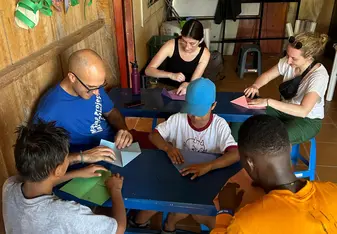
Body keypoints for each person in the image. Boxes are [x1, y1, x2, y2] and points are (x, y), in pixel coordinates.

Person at [130, 78, 239, 233]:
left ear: (213, 106)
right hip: (178, 174)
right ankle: (152, 221)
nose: (194, 117)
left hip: (205, 179)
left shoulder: (219, 126)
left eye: (200, 112)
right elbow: (154, 135)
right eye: (191, 111)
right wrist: (167, 148)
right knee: (152, 206)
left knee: (201, 215)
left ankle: (171, 222)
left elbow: (235, 154)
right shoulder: (178, 119)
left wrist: (209, 166)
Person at [212, 115, 337, 234]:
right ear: (289, 147)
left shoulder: (247, 223)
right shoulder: (332, 190)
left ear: (249, 163)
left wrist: (225, 211)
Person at [2, 120, 126, 234]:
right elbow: (118, 229)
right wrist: (115, 190)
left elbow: (40, 182)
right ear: (58, 170)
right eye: (67, 158)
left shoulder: (9, 186)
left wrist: (76, 173)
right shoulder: (67, 214)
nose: (69, 160)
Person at [34, 49, 133, 165]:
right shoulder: (49, 110)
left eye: (100, 86)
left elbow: (111, 112)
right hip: (88, 162)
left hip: (115, 148)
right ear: (72, 77)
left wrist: (123, 129)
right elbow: (40, 160)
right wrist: (82, 156)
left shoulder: (93, 85)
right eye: (91, 87)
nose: (97, 92)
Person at [236, 32, 329, 144]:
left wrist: (268, 101)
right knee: (242, 109)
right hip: (284, 110)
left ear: (309, 57)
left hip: (307, 120)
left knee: (274, 139)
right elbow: (268, 75)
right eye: (287, 55)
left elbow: (303, 111)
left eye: (293, 58)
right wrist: (255, 86)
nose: (288, 61)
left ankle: (263, 159)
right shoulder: (289, 61)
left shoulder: (319, 76)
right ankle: (233, 150)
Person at [145, 19, 210, 95]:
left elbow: (193, 82)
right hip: (168, 86)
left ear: (201, 40)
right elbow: (148, 70)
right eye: (184, 41)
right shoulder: (171, 45)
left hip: (190, 88)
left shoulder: (204, 54)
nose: (187, 47)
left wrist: (187, 85)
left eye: (192, 44)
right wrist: (171, 75)